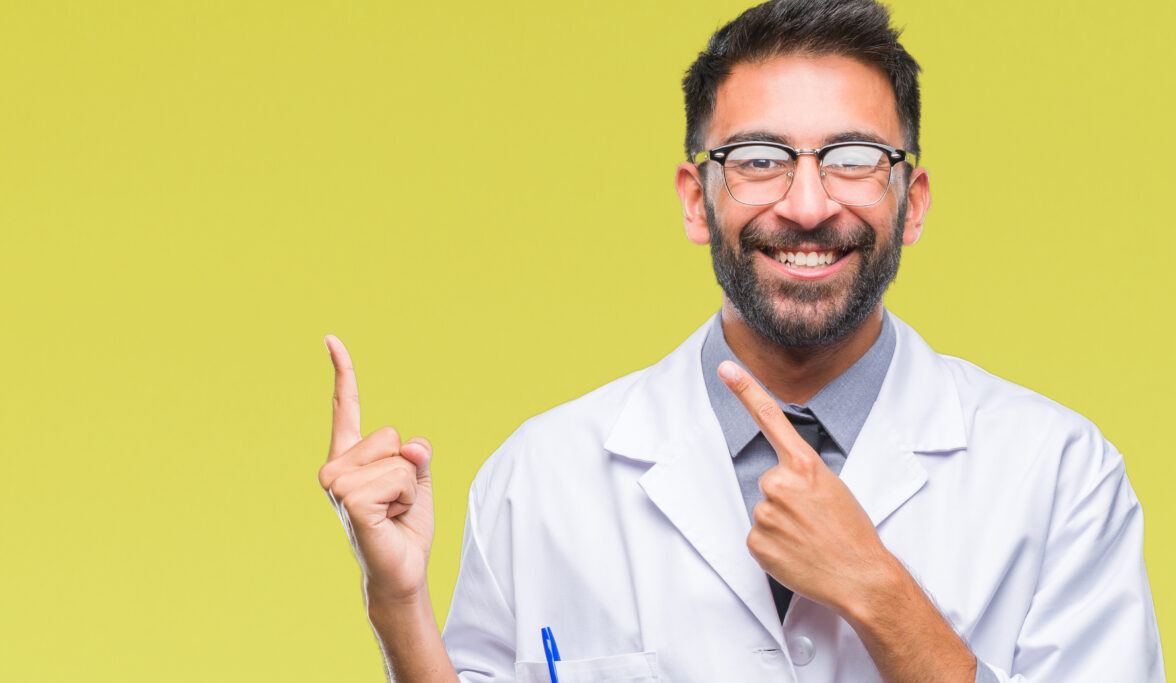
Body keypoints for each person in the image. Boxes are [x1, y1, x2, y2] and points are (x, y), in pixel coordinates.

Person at [317, 0, 1165, 680]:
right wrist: (398, 608)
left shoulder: (1060, 475)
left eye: (854, 157)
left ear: (912, 203)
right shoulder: (541, 479)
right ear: (697, 199)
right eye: (760, 158)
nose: (805, 204)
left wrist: (880, 593)